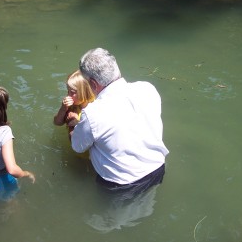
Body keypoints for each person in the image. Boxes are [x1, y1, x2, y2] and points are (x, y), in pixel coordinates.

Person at [71, 48, 169, 191]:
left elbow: (78, 147)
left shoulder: (93, 113)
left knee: (113, 214)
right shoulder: (147, 88)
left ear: (92, 84)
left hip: (121, 183)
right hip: (157, 169)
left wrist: (73, 126)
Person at [54, 69, 95, 134]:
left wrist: (77, 123)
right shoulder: (72, 104)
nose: (68, 95)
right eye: (68, 91)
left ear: (85, 92)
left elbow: (94, 134)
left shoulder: (94, 108)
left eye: (72, 92)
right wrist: (63, 109)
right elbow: (57, 123)